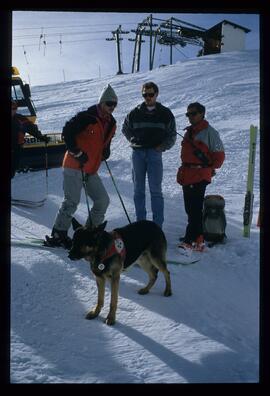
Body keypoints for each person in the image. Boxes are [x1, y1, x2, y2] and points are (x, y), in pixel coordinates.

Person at [45, 84, 118, 249]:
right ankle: (58, 235)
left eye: (114, 104)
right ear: (101, 103)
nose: (111, 107)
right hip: (74, 165)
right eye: (108, 103)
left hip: (91, 169)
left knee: (102, 201)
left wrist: (105, 152)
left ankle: (89, 234)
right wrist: (77, 152)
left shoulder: (112, 123)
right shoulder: (87, 116)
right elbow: (67, 133)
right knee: (72, 201)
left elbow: (105, 143)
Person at [122, 81, 176, 228]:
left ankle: (157, 226)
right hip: (137, 154)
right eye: (145, 94)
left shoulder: (165, 114)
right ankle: (141, 225)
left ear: (156, 94)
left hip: (154, 154)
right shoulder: (134, 112)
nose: (148, 97)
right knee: (138, 189)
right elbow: (125, 128)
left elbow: (172, 135)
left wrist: (162, 146)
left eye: (151, 94)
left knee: (155, 190)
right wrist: (133, 140)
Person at [177, 102, 225, 251]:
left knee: (194, 209)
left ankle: (189, 241)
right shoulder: (189, 132)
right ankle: (199, 240)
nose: (190, 116)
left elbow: (219, 158)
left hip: (199, 175)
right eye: (188, 114)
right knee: (191, 208)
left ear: (202, 114)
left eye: (193, 113)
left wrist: (207, 167)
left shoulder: (210, 132)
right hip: (188, 174)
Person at [11, 99, 49, 178]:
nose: (12, 110)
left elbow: (32, 129)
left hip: (16, 150)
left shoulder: (21, 119)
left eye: (14, 108)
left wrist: (41, 137)